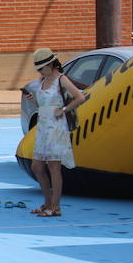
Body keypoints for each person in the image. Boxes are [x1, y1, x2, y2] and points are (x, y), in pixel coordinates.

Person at [22, 47, 85, 217]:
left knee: (54, 167)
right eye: (38, 69)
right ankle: (48, 203)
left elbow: (80, 97)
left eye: (41, 68)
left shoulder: (61, 79)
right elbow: (42, 105)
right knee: (37, 166)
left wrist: (63, 109)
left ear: (50, 64)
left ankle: (55, 207)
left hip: (56, 127)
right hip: (43, 125)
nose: (40, 71)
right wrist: (33, 99)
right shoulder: (43, 81)